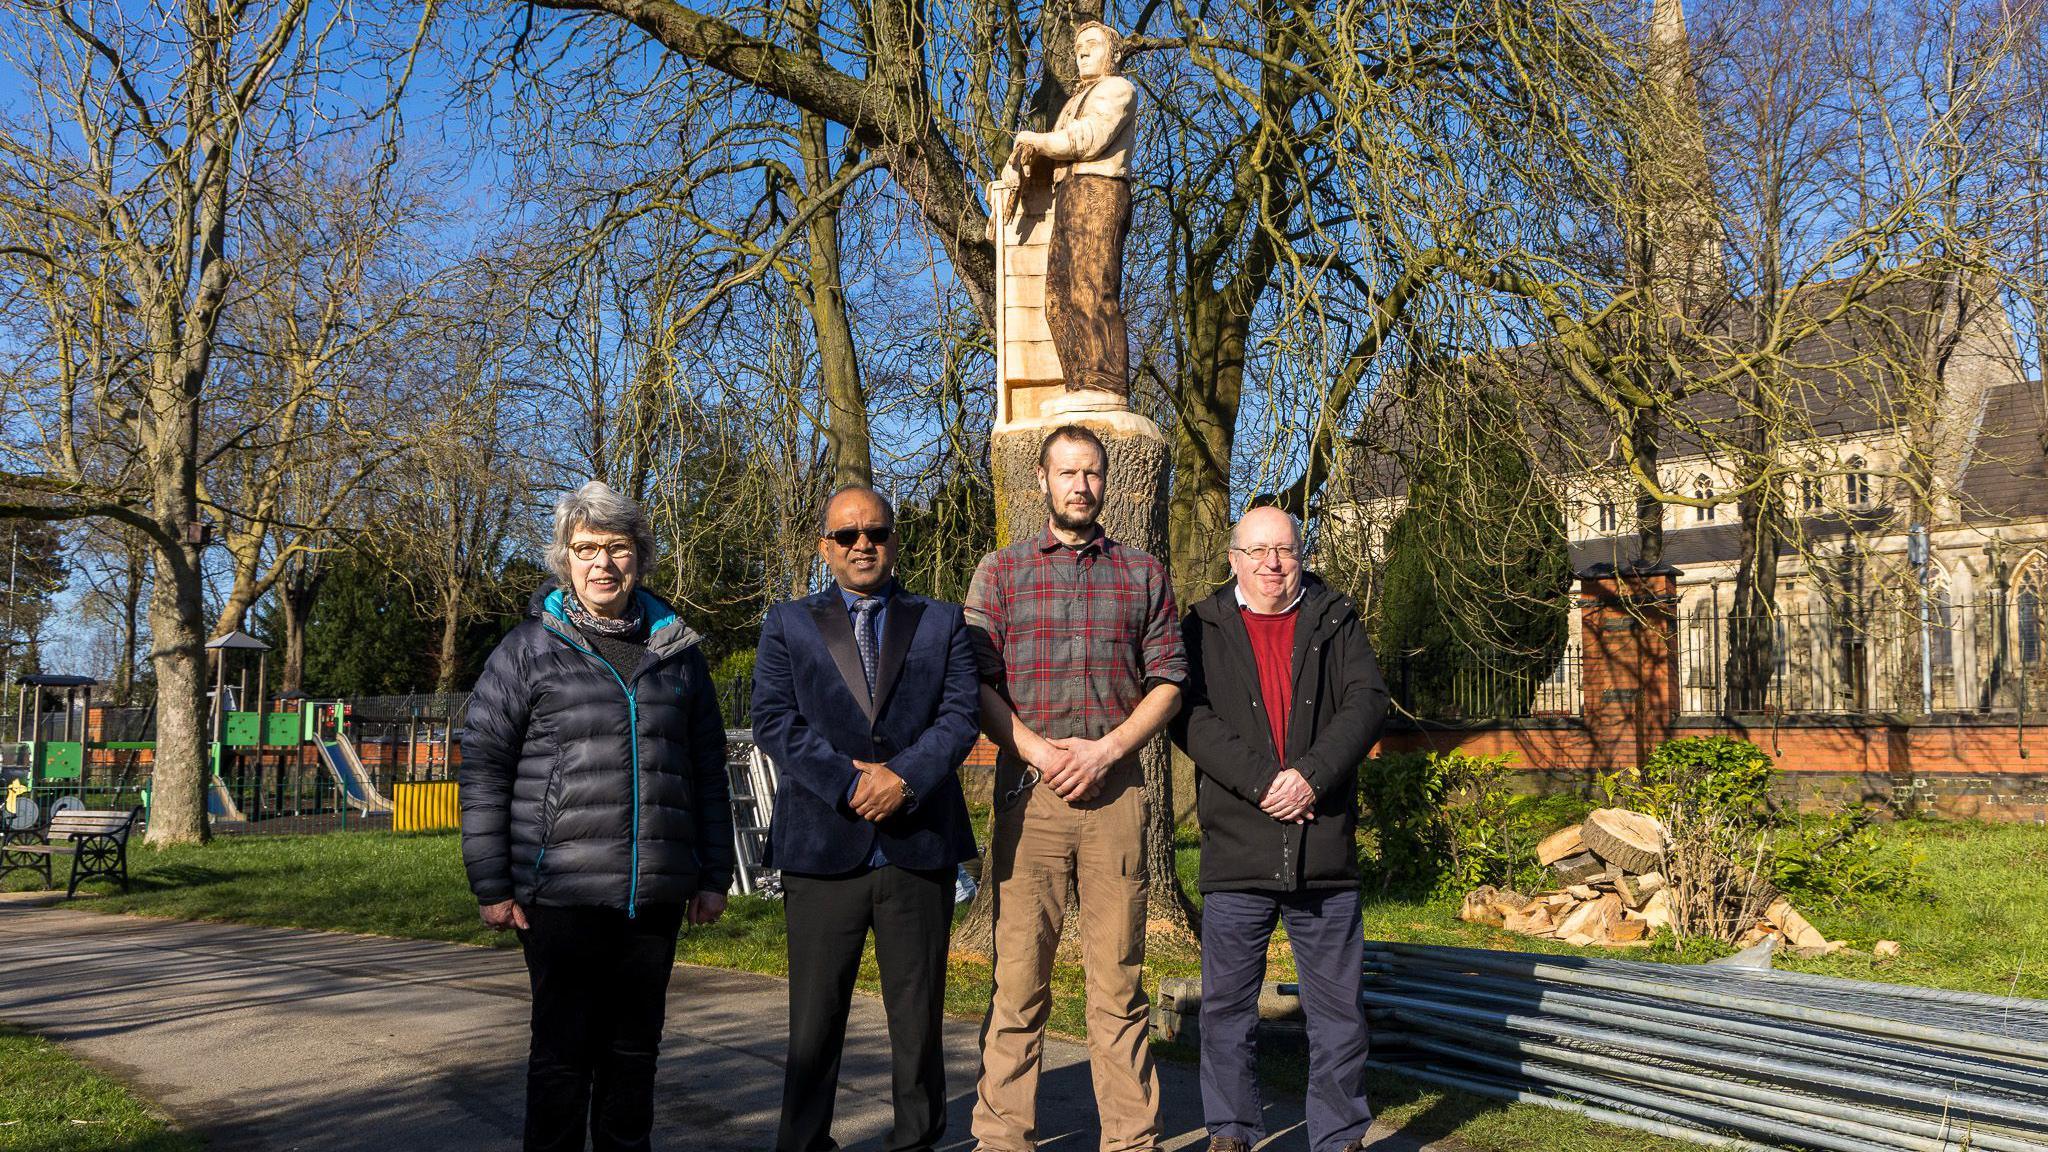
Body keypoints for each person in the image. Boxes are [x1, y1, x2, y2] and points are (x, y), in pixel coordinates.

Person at [460, 480, 734, 1152]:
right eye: (586, 549)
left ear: (639, 556)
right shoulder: (526, 650)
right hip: (560, 892)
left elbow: (705, 768)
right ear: (565, 559)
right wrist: (491, 883)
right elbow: (485, 765)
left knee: (633, 1057)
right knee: (561, 1059)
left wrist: (713, 872)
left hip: (655, 892)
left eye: (617, 548)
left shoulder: (677, 652)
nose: (601, 564)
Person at [966, 424, 1185, 1152]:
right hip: (1029, 798)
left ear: (1104, 480)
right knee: (1019, 984)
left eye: (1091, 473)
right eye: (1067, 473)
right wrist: (1032, 747)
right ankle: (1003, 1140)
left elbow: (1169, 681)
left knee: (1118, 986)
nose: (1080, 486)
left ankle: (1131, 1140)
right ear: (1041, 480)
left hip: (1116, 796)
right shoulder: (998, 573)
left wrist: (1109, 749)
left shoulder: (1144, 572)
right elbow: (977, 682)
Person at [751, 485, 982, 1152]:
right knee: (813, 1026)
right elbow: (774, 720)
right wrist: (851, 786)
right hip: (823, 848)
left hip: (919, 849)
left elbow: (961, 716)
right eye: (847, 535)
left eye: (875, 532)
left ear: (893, 540)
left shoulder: (941, 621)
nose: (863, 544)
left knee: (917, 1025)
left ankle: (916, 1142)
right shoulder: (788, 623)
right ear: (825, 546)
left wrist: (903, 779)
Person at [1170, 506, 1390, 1152]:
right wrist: (1265, 781)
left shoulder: (1336, 617)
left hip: (1321, 848)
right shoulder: (1203, 626)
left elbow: (1367, 702)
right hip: (1238, 846)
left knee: (1338, 1015)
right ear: (1233, 558)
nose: (1273, 563)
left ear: (1301, 555)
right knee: (1226, 1012)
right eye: (1259, 550)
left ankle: (1339, 1136)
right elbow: (1190, 717)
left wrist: (1311, 777)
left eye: (1286, 550)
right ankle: (1231, 1132)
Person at [1006, 21, 1137, 398]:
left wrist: (1037, 139)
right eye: (1078, 47)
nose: (1080, 53)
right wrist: (1022, 163)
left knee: (1091, 287)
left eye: (1091, 46)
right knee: (1056, 299)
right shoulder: (1070, 104)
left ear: (1111, 52)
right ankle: (1078, 381)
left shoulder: (1117, 89)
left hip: (1100, 189)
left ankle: (1105, 383)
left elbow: (1086, 139)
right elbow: (1056, 149)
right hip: (1068, 195)